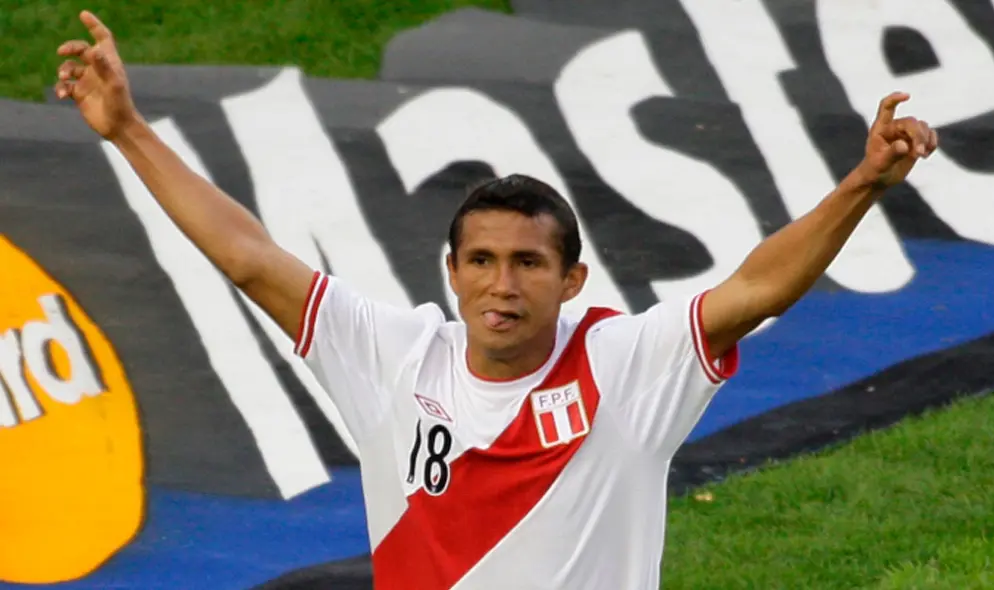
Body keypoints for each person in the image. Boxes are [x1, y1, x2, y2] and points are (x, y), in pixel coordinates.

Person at [54, 10, 938, 590]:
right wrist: (129, 131)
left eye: (526, 262)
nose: (501, 284)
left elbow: (756, 287)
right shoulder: (397, 358)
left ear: (573, 281)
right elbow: (249, 258)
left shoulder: (624, 365)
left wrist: (863, 183)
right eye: (480, 260)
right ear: (451, 271)